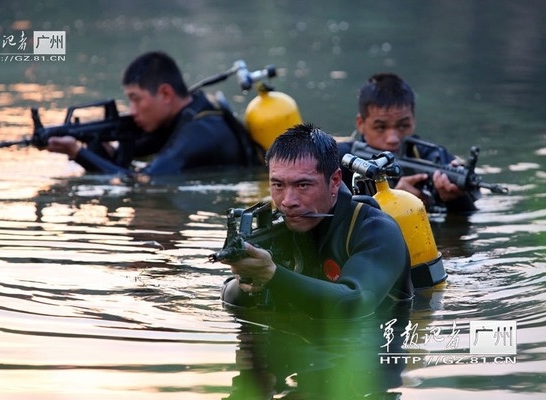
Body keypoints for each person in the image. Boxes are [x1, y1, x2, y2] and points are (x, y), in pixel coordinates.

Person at [220, 123, 413, 319]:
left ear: (335, 181)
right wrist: (246, 277)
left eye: (303, 185)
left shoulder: (376, 230)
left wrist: (272, 275)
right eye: (278, 185)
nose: (287, 201)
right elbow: (230, 299)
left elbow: (353, 304)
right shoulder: (275, 228)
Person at [44, 51, 261, 175]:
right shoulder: (187, 113)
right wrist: (100, 149)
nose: (132, 111)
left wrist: (77, 152)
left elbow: (142, 182)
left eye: (136, 99)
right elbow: (128, 159)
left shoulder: (198, 132)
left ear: (166, 94)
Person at [338, 72, 478, 213]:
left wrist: (454, 197)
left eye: (403, 126)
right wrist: (394, 202)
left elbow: (469, 217)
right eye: (380, 127)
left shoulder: (431, 158)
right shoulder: (340, 160)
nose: (392, 138)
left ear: (413, 120)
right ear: (361, 123)